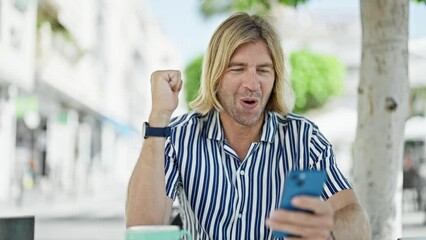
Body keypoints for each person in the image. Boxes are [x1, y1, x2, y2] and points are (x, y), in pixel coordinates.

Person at [126, 12, 371, 239]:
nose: (252, 84)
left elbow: (356, 220)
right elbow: (142, 229)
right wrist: (159, 117)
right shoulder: (180, 136)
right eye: (237, 69)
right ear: (215, 74)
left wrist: (325, 234)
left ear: (275, 78)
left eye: (263, 70)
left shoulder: (302, 139)